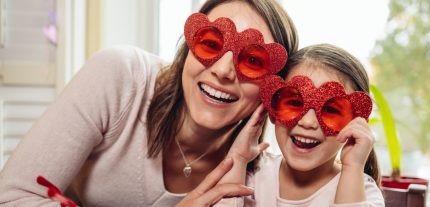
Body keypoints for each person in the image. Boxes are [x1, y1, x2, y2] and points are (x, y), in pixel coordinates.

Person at [0, 0, 298, 206]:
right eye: (210, 44)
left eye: (253, 61)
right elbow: (12, 196)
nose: (222, 70)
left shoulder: (260, 175)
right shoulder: (120, 76)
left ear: (273, 88)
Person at [221, 44, 385, 206]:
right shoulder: (252, 175)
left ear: (355, 124)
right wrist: (239, 158)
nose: (307, 122)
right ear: (272, 109)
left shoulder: (361, 191)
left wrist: (353, 167)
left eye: (330, 110)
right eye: (294, 102)